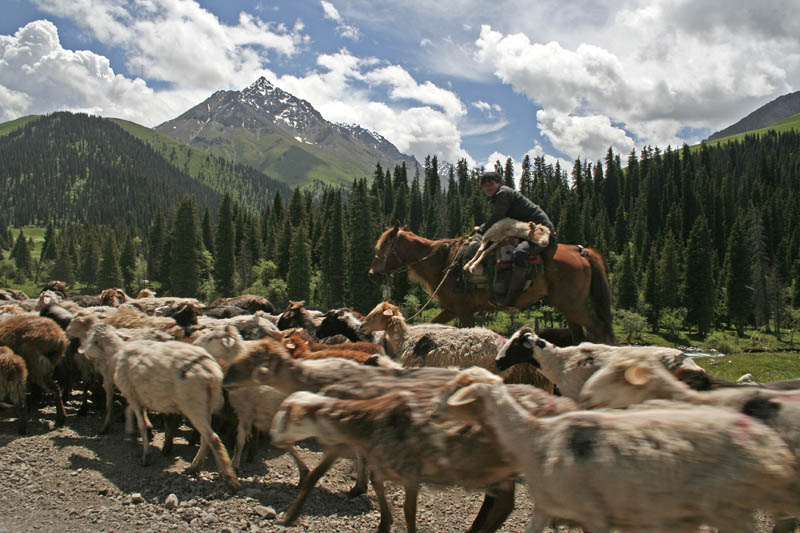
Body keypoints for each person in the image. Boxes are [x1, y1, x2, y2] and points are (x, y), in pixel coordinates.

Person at [474, 171, 557, 308]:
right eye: (484, 186)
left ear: (500, 183)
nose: (487, 188)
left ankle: (510, 299)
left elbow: (498, 217)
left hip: (542, 235)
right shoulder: (501, 195)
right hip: (527, 233)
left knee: (520, 252)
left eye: (491, 184)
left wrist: (482, 230)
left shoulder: (503, 193)